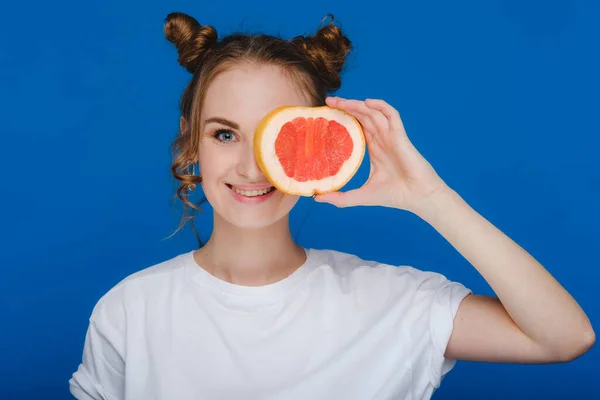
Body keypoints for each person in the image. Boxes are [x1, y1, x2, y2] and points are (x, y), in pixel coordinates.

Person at [69, 11, 595, 400]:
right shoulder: (129, 311)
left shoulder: (392, 302)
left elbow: (565, 338)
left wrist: (431, 198)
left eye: (280, 135)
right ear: (191, 143)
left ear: (320, 144)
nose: (252, 168)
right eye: (226, 134)